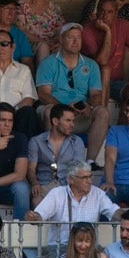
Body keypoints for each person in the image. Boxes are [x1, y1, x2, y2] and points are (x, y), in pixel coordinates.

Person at [36, 24, 111, 163]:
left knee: (102, 112)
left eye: (79, 38)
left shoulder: (91, 64)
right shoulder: (48, 63)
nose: (76, 42)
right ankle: (52, 161)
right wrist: (64, 109)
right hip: (56, 111)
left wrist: (88, 105)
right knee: (49, 111)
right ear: (61, 39)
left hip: (80, 113)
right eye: (71, 37)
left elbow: (96, 94)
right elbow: (43, 94)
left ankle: (90, 163)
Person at [26, 161, 121, 257]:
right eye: (85, 178)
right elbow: (40, 215)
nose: (90, 181)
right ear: (71, 179)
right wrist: (33, 217)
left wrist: (125, 215)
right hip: (61, 247)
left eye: (90, 176)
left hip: (88, 247)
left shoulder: (98, 194)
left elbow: (113, 211)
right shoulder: (57, 194)